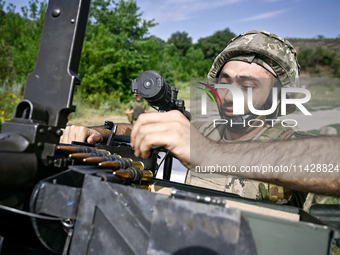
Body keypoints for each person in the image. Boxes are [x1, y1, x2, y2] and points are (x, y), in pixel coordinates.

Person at [60, 31, 340, 197]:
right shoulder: (204, 130)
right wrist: (98, 131)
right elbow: (137, 130)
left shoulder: (293, 145)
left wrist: (210, 154)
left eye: (248, 86)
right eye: (225, 81)